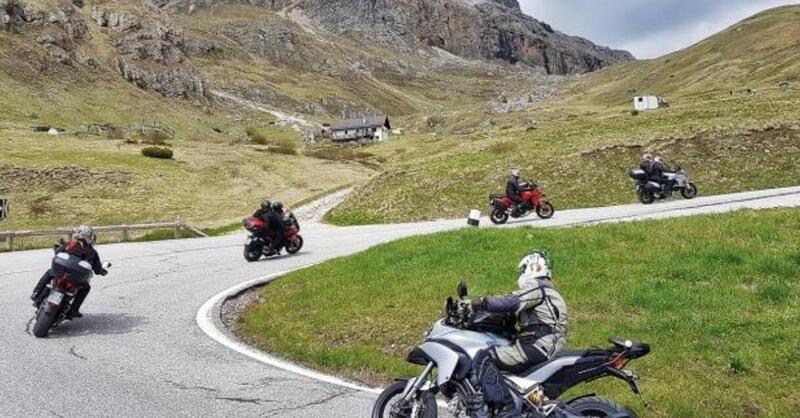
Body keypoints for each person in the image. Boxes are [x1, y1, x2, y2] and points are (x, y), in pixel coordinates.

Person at [468, 249, 569, 417]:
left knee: (483, 357)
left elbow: (513, 301)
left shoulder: (538, 286)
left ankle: (506, 408)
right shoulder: (548, 291)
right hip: (544, 344)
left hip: (538, 345)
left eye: (522, 270)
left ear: (532, 267)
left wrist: (480, 303)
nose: (520, 274)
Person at [31, 225, 107, 318]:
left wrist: (57, 248)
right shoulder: (92, 252)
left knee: (49, 273)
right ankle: (74, 310)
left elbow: (58, 252)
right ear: (89, 236)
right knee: (86, 288)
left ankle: (36, 293)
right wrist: (103, 272)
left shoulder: (70, 244)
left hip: (62, 273)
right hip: (75, 278)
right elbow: (97, 269)